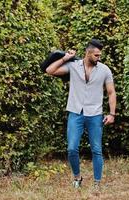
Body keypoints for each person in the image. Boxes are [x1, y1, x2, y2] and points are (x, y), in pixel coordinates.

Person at [46, 39, 116, 189]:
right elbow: (49, 70)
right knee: (72, 148)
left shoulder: (105, 70)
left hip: (95, 114)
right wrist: (65, 58)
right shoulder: (73, 66)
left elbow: (111, 92)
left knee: (96, 149)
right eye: (96, 55)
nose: (99, 57)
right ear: (88, 53)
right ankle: (77, 177)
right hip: (75, 112)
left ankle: (97, 183)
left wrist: (112, 114)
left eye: (100, 55)